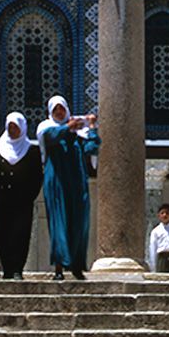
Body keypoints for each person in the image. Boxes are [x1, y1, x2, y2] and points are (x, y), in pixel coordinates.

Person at [35, 94, 99, 280]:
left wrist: (92, 127)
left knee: (80, 224)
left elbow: (92, 148)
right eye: (56, 110)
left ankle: (78, 266)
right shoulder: (47, 128)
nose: (59, 112)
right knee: (59, 223)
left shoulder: (78, 135)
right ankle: (59, 268)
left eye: (62, 109)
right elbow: (52, 137)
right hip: (56, 183)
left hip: (77, 183)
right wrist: (67, 127)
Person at [0, 110, 44, 280]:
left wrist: (29, 195)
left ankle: (17, 269)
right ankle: (7, 267)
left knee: (20, 234)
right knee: (2, 235)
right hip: (2, 198)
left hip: (22, 200)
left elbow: (37, 176)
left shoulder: (31, 151)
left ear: (22, 128)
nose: (13, 130)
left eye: (16, 127)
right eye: (10, 127)